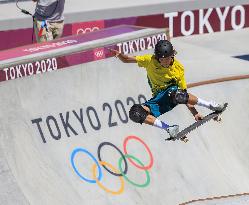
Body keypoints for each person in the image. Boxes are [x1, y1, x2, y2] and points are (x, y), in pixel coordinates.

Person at [109, 40, 226, 139]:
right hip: (159, 99)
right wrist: (119, 55)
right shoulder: (149, 60)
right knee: (135, 113)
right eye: (162, 59)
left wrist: (195, 113)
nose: (165, 62)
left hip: (174, 95)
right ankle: (169, 129)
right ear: (157, 57)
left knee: (177, 94)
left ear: (172, 56)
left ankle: (210, 105)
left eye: (167, 59)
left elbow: (185, 95)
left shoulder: (178, 69)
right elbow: (127, 60)